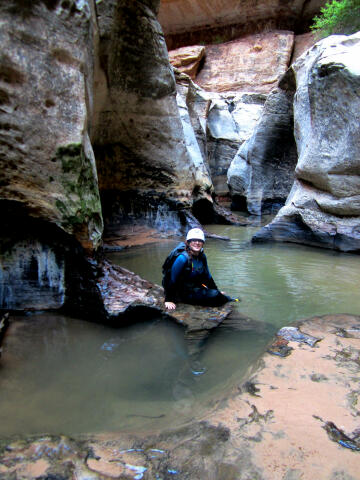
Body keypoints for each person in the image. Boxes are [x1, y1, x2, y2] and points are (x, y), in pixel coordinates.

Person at [164, 228, 232, 311]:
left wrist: (216, 290)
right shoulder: (182, 258)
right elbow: (172, 279)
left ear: (203, 243)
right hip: (181, 291)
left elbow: (208, 276)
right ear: (188, 242)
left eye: (200, 241)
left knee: (216, 294)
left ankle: (226, 298)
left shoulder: (202, 257)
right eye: (194, 240)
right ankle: (228, 299)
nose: (197, 243)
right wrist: (168, 299)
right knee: (215, 296)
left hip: (193, 286)